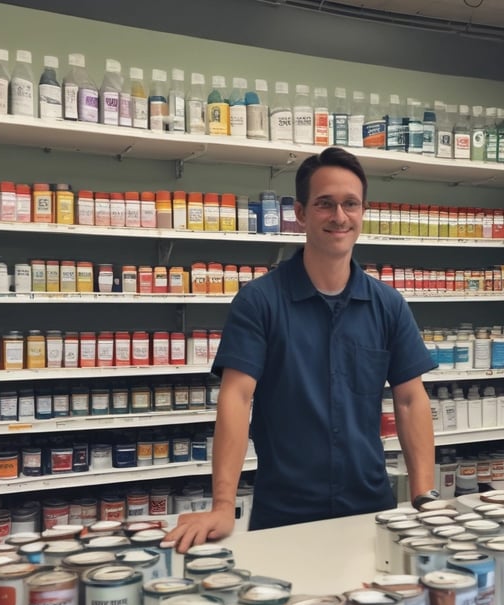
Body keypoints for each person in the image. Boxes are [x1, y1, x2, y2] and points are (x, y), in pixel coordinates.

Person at [165, 146, 437, 552]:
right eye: (325, 204)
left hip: (370, 511)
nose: (339, 216)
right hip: (285, 517)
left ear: (363, 211)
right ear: (301, 212)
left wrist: (422, 499)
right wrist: (223, 505)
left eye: (350, 204)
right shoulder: (259, 302)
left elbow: (412, 400)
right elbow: (237, 398)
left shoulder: (388, 305)